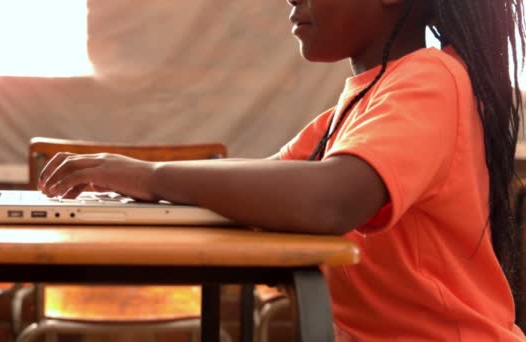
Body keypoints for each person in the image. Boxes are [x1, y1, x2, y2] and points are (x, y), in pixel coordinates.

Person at [38, 0, 526, 340]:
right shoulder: (360, 101)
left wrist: (151, 177)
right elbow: (269, 183)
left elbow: (327, 200)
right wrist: (141, 185)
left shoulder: (431, 80)